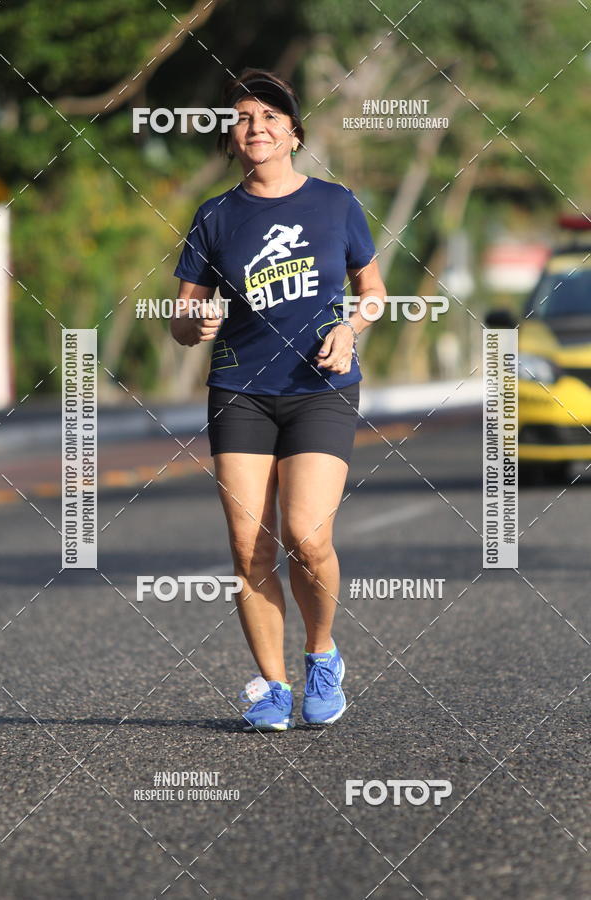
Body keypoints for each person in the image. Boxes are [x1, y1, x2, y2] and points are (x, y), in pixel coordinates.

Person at [171, 67, 386, 731]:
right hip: (239, 390)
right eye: (242, 118)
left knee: (306, 536)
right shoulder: (215, 217)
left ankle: (322, 656)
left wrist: (351, 329)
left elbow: (373, 291)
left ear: (294, 133)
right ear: (230, 138)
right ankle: (271, 686)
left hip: (320, 389)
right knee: (248, 546)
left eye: (269, 116)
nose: (255, 127)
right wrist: (195, 323)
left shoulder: (335, 204)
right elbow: (181, 319)